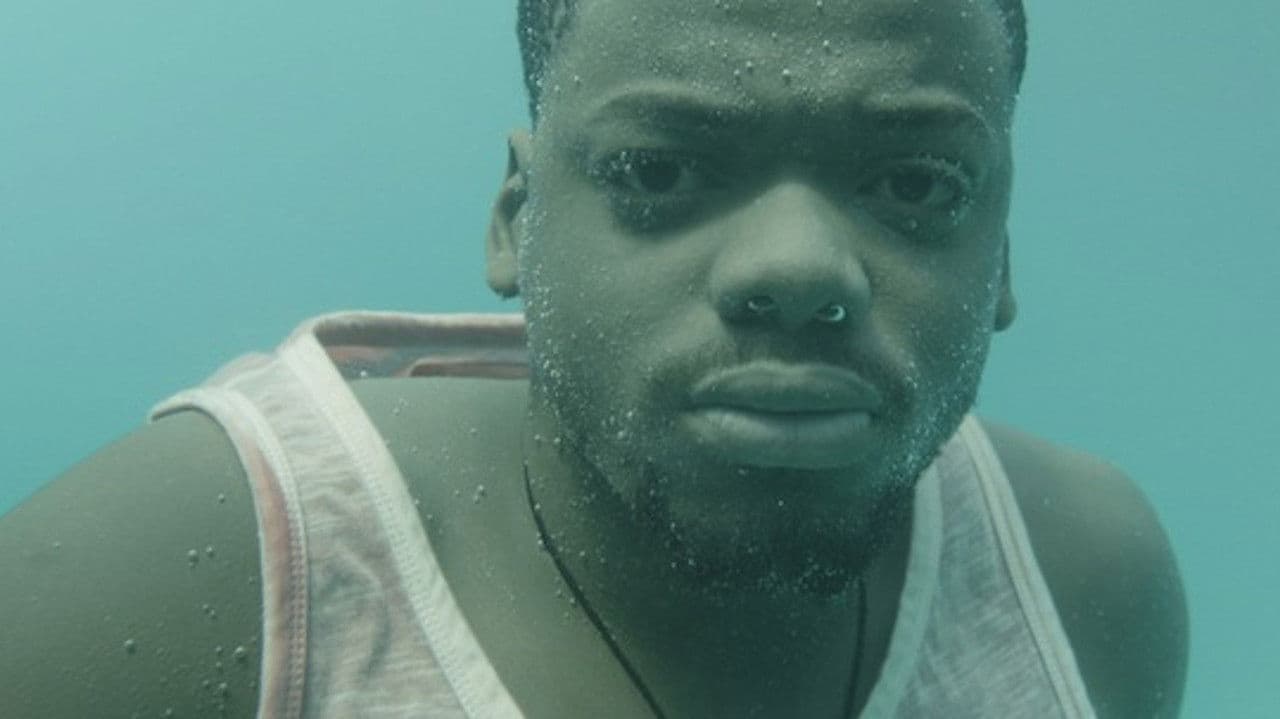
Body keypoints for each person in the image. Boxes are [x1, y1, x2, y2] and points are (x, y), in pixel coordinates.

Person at [0, 0, 1189, 717]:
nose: (798, 266)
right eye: (659, 169)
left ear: (1000, 247)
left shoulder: (1083, 578)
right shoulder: (182, 588)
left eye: (916, 183)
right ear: (515, 218)